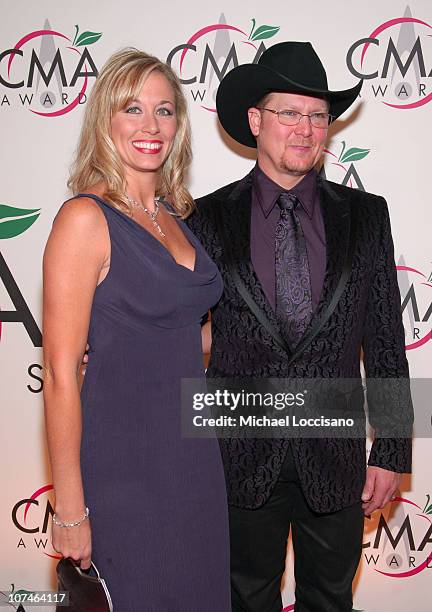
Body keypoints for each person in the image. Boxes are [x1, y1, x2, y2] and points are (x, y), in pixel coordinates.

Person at [186, 42, 413, 612]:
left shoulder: (367, 215)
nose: (306, 129)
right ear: (256, 121)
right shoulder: (205, 218)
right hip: (236, 455)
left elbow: (386, 339)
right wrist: (118, 353)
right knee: (242, 599)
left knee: (331, 600)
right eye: (289, 113)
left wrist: (392, 448)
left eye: (317, 116)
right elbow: (180, 328)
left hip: (334, 456)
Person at [43, 48, 230, 611]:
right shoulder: (85, 219)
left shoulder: (174, 219)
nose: (151, 126)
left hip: (193, 464)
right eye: (133, 109)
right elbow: (58, 372)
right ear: (106, 120)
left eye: (165, 110)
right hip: (124, 467)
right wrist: (70, 508)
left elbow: (183, 337)